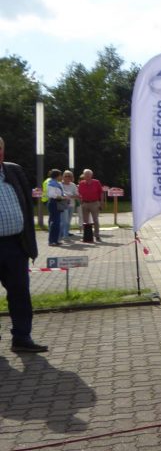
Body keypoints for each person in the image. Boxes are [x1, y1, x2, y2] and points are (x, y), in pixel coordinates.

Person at [0, 136, 48, 352]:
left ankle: (22, 338)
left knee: (20, 293)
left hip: (15, 245)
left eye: (0, 148)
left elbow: (27, 206)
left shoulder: (14, 171)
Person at [78, 168, 102, 242]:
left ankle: (97, 235)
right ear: (84, 175)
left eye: (88, 174)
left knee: (95, 220)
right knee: (85, 221)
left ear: (91, 175)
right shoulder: (81, 183)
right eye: (86, 175)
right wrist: (81, 202)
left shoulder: (96, 182)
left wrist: (101, 203)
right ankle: (86, 236)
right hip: (85, 203)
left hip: (94, 203)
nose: (87, 176)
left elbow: (101, 193)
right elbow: (79, 194)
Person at [45, 169, 65, 247]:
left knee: (57, 222)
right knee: (55, 222)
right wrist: (62, 197)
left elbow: (59, 193)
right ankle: (51, 241)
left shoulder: (57, 183)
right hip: (54, 203)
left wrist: (63, 196)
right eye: (60, 175)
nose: (61, 176)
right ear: (57, 176)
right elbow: (52, 194)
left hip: (57, 202)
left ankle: (55, 240)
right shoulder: (51, 183)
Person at [60, 170, 79, 241]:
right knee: (64, 221)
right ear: (63, 177)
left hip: (71, 205)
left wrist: (69, 196)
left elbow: (77, 195)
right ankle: (63, 235)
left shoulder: (73, 185)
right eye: (66, 176)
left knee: (68, 220)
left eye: (69, 176)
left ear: (71, 177)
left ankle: (66, 233)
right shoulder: (60, 184)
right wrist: (69, 195)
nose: (67, 177)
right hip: (63, 205)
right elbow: (60, 194)